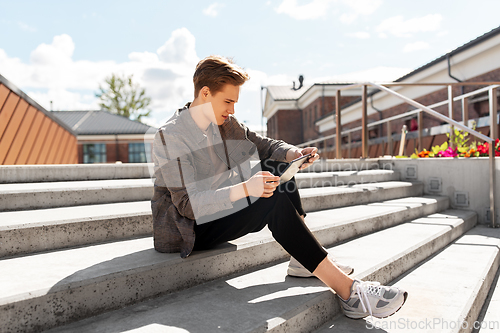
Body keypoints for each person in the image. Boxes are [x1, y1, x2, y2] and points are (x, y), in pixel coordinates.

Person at [151, 55, 408, 320]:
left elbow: (265, 145)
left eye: (235, 103)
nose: (233, 110)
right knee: (269, 198)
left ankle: (301, 260)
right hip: (187, 228)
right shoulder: (171, 135)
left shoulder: (227, 124)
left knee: (277, 168)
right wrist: (246, 188)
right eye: (228, 101)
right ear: (205, 93)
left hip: (218, 211)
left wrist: (293, 153)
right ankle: (350, 294)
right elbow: (188, 205)